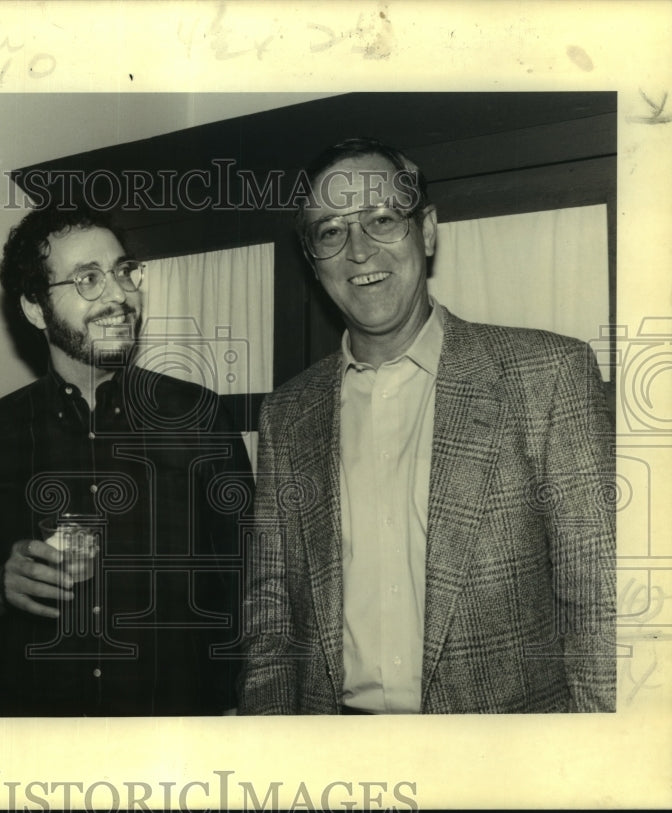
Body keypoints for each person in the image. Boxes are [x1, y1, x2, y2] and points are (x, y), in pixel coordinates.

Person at [238, 137, 616, 714]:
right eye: (331, 231)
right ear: (314, 263)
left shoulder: (548, 377)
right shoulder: (288, 415)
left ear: (428, 231)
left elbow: (601, 611)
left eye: (382, 219)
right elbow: (270, 625)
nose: (359, 250)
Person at [0, 200, 252, 716]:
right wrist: (0, 586)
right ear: (35, 308)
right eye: (88, 279)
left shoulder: (200, 419)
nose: (119, 295)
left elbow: (255, 589)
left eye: (123, 272)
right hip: (31, 761)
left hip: (174, 758)